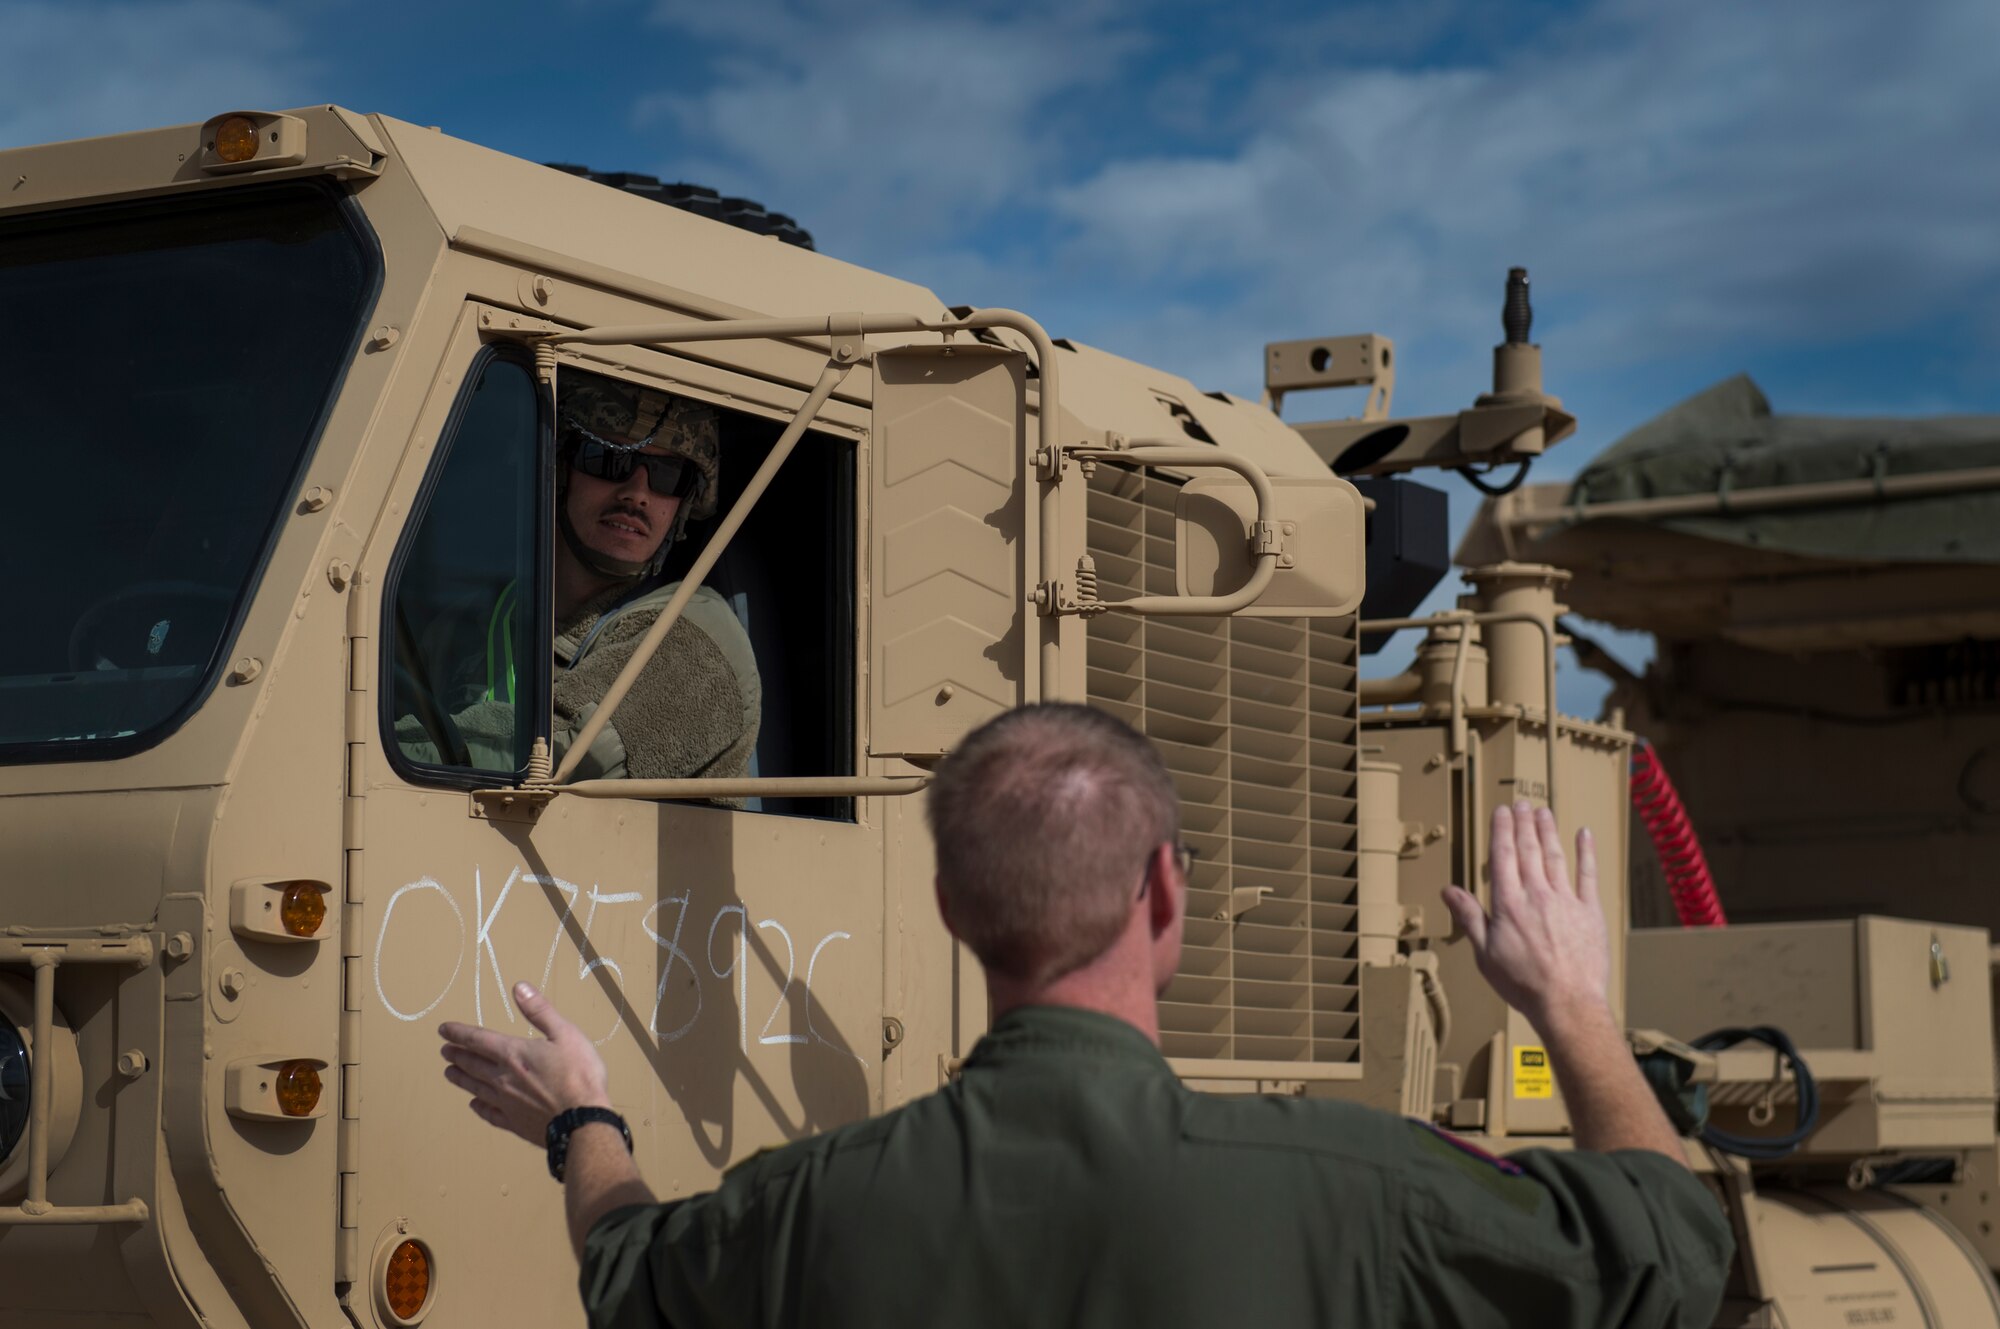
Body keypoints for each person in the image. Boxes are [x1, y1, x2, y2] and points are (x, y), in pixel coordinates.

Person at [438, 703, 1732, 1328]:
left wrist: (582, 1117)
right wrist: (1571, 1004)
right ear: (1166, 889)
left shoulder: (814, 1205)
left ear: (951, 906)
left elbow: (628, 1272)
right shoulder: (1356, 1189)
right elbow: (1671, 1245)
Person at [400, 372, 760, 784]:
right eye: (609, 459)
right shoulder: (465, 625)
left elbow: (561, 754)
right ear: (560, 470)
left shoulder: (698, 635)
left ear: (683, 504)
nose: (637, 493)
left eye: (667, 475)